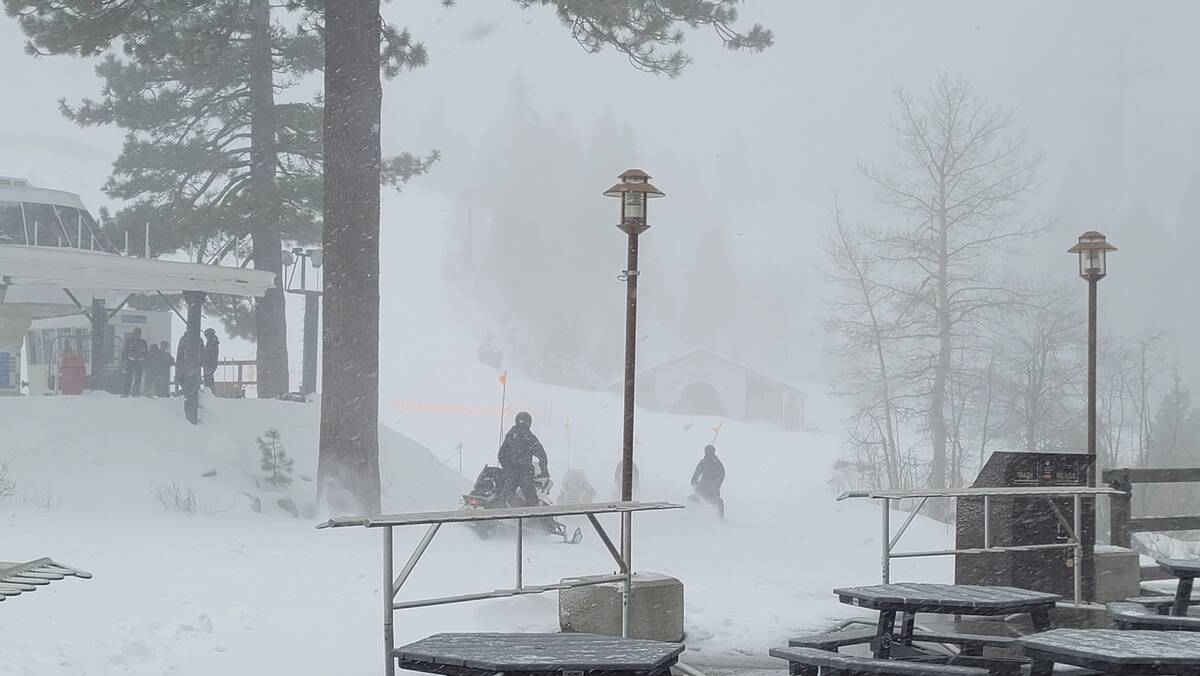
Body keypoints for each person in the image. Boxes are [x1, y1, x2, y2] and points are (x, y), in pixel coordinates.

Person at [497, 411, 549, 507]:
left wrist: (508, 468)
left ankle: (498, 515)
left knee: (504, 496)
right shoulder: (529, 437)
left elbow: (501, 455)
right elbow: (542, 455)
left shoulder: (510, 436)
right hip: (525, 472)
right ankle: (532, 519)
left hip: (512, 473)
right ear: (529, 423)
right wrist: (544, 471)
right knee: (531, 499)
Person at [690, 444, 726, 520]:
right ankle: (690, 517)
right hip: (702, 488)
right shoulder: (703, 463)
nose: (708, 455)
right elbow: (696, 474)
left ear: (713, 453)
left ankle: (720, 520)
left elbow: (721, 476)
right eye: (707, 453)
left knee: (719, 503)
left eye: (710, 453)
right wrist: (694, 482)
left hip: (713, 490)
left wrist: (716, 486)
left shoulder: (717, 464)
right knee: (691, 500)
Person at [120, 327, 148, 397]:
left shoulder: (143, 342)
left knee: (138, 379)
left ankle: (135, 393)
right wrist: (124, 361)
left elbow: (146, 353)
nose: (138, 334)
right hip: (130, 362)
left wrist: (144, 360)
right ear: (134, 333)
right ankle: (125, 393)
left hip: (139, 363)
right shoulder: (129, 341)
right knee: (128, 378)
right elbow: (124, 352)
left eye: (139, 333)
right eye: (136, 333)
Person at [175, 329, 197, 395]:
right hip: (186, 364)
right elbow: (179, 352)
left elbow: (179, 352)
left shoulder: (183, 339)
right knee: (184, 379)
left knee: (188, 379)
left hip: (189, 364)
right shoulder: (196, 339)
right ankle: (184, 393)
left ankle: (183, 393)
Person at [201, 328, 220, 392]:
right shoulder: (212, 342)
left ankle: (210, 393)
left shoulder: (212, 343)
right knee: (209, 379)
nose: (206, 337)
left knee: (208, 380)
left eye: (206, 335)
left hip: (210, 363)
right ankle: (210, 392)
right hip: (210, 363)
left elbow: (209, 354)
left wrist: (203, 357)